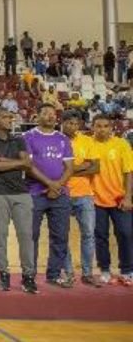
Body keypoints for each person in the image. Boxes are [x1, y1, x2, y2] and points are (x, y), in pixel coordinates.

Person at [0, 107, 37, 293]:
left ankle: (28, 276)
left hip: (21, 192)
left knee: (26, 236)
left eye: (11, 117)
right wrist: (17, 163)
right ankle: (3, 275)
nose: (10, 120)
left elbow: (28, 163)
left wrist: (3, 162)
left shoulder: (19, 139)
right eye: (5, 117)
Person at [23, 103, 74, 288]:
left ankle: (54, 274)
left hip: (60, 195)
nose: (51, 116)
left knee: (60, 236)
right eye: (45, 113)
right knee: (31, 235)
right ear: (37, 116)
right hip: (34, 193)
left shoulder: (63, 139)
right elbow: (28, 167)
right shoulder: (27, 137)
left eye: (53, 114)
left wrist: (57, 186)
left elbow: (70, 168)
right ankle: (29, 274)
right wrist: (49, 184)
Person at [87, 114, 133, 285]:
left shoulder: (122, 144)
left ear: (112, 127)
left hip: (119, 199)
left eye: (106, 126)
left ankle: (127, 270)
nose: (102, 129)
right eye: (98, 126)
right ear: (92, 127)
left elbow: (129, 172)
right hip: (95, 199)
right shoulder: (88, 143)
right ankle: (105, 269)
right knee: (100, 235)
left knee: (126, 234)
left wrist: (128, 197)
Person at [61, 110, 100, 287]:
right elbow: (54, 168)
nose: (72, 126)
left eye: (75, 123)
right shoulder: (56, 140)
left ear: (80, 125)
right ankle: (68, 272)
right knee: (62, 235)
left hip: (85, 194)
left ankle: (87, 272)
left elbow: (94, 168)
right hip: (62, 193)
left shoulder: (87, 141)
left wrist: (69, 169)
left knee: (89, 234)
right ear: (62, 123)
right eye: (69, 122)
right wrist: (81, 166)